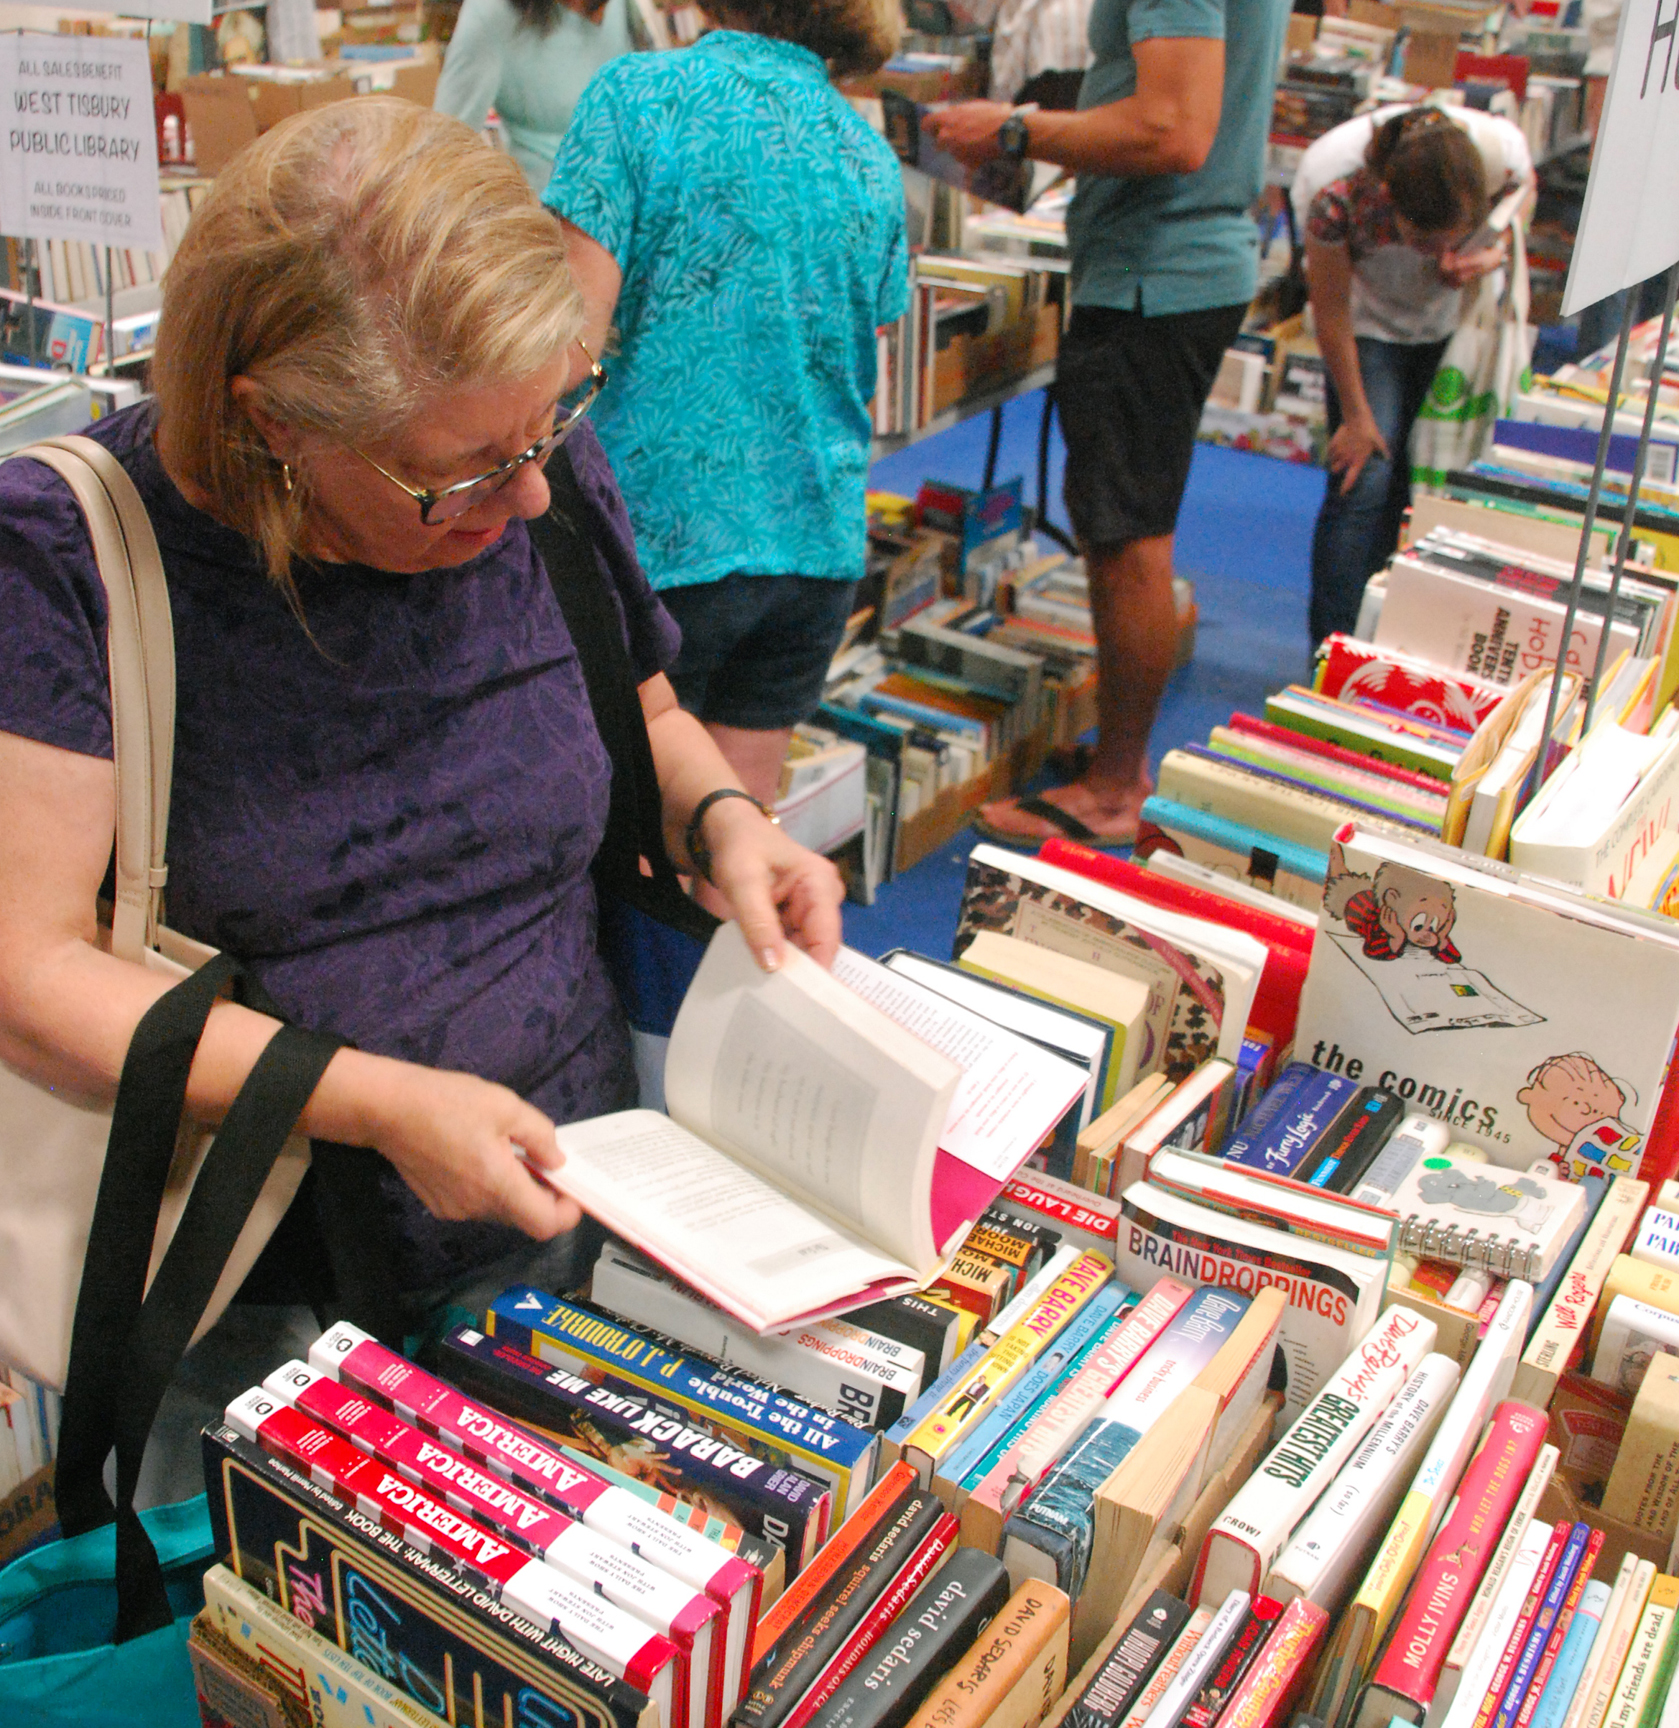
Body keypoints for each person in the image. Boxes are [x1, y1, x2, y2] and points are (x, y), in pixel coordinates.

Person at [0, 97, 843, 1497]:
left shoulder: (526, 454)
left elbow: (633, 703)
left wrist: (723, 822)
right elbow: (26, 967)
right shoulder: (70, 558)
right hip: (258, 1285)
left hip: (582, 1191)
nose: (522, 501)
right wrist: (383, 1104)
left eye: (544, 429)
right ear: (267, 421)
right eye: (451, 476)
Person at [921, 0, 1291, 846]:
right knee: (1124, 526)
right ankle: (1118, 763)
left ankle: (1115, 787)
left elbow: (1171, 132)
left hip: (1154, 273)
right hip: (1171, 264)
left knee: (1125, 540)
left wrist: (1014, 129)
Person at [545, 0, 908, 829]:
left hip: (664, 544)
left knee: (634, 854)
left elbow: (565, 352)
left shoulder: (638, 99)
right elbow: (865, 330)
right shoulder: (867, 152)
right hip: (813, 543)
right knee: (737, 842)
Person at [1295, 104, 1534, 644]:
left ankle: (1393, 640)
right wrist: (1355, 415)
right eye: (1426, 243)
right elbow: (1330, 312)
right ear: (1390, 202)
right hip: (1367, 328)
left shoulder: (1498, 150)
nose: (1440, 253)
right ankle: (1329, 658)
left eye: (1455, 237)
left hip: (1453, 329)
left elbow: (1526, 191)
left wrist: (1490, 250)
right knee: (1364, 480)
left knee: (1422, 485)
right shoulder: (1333, 188)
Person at [434, 0, 634, 193]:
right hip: (552, 210)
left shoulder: (624, 8)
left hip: (634, 201)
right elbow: (444, 148)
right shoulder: (491, 14)